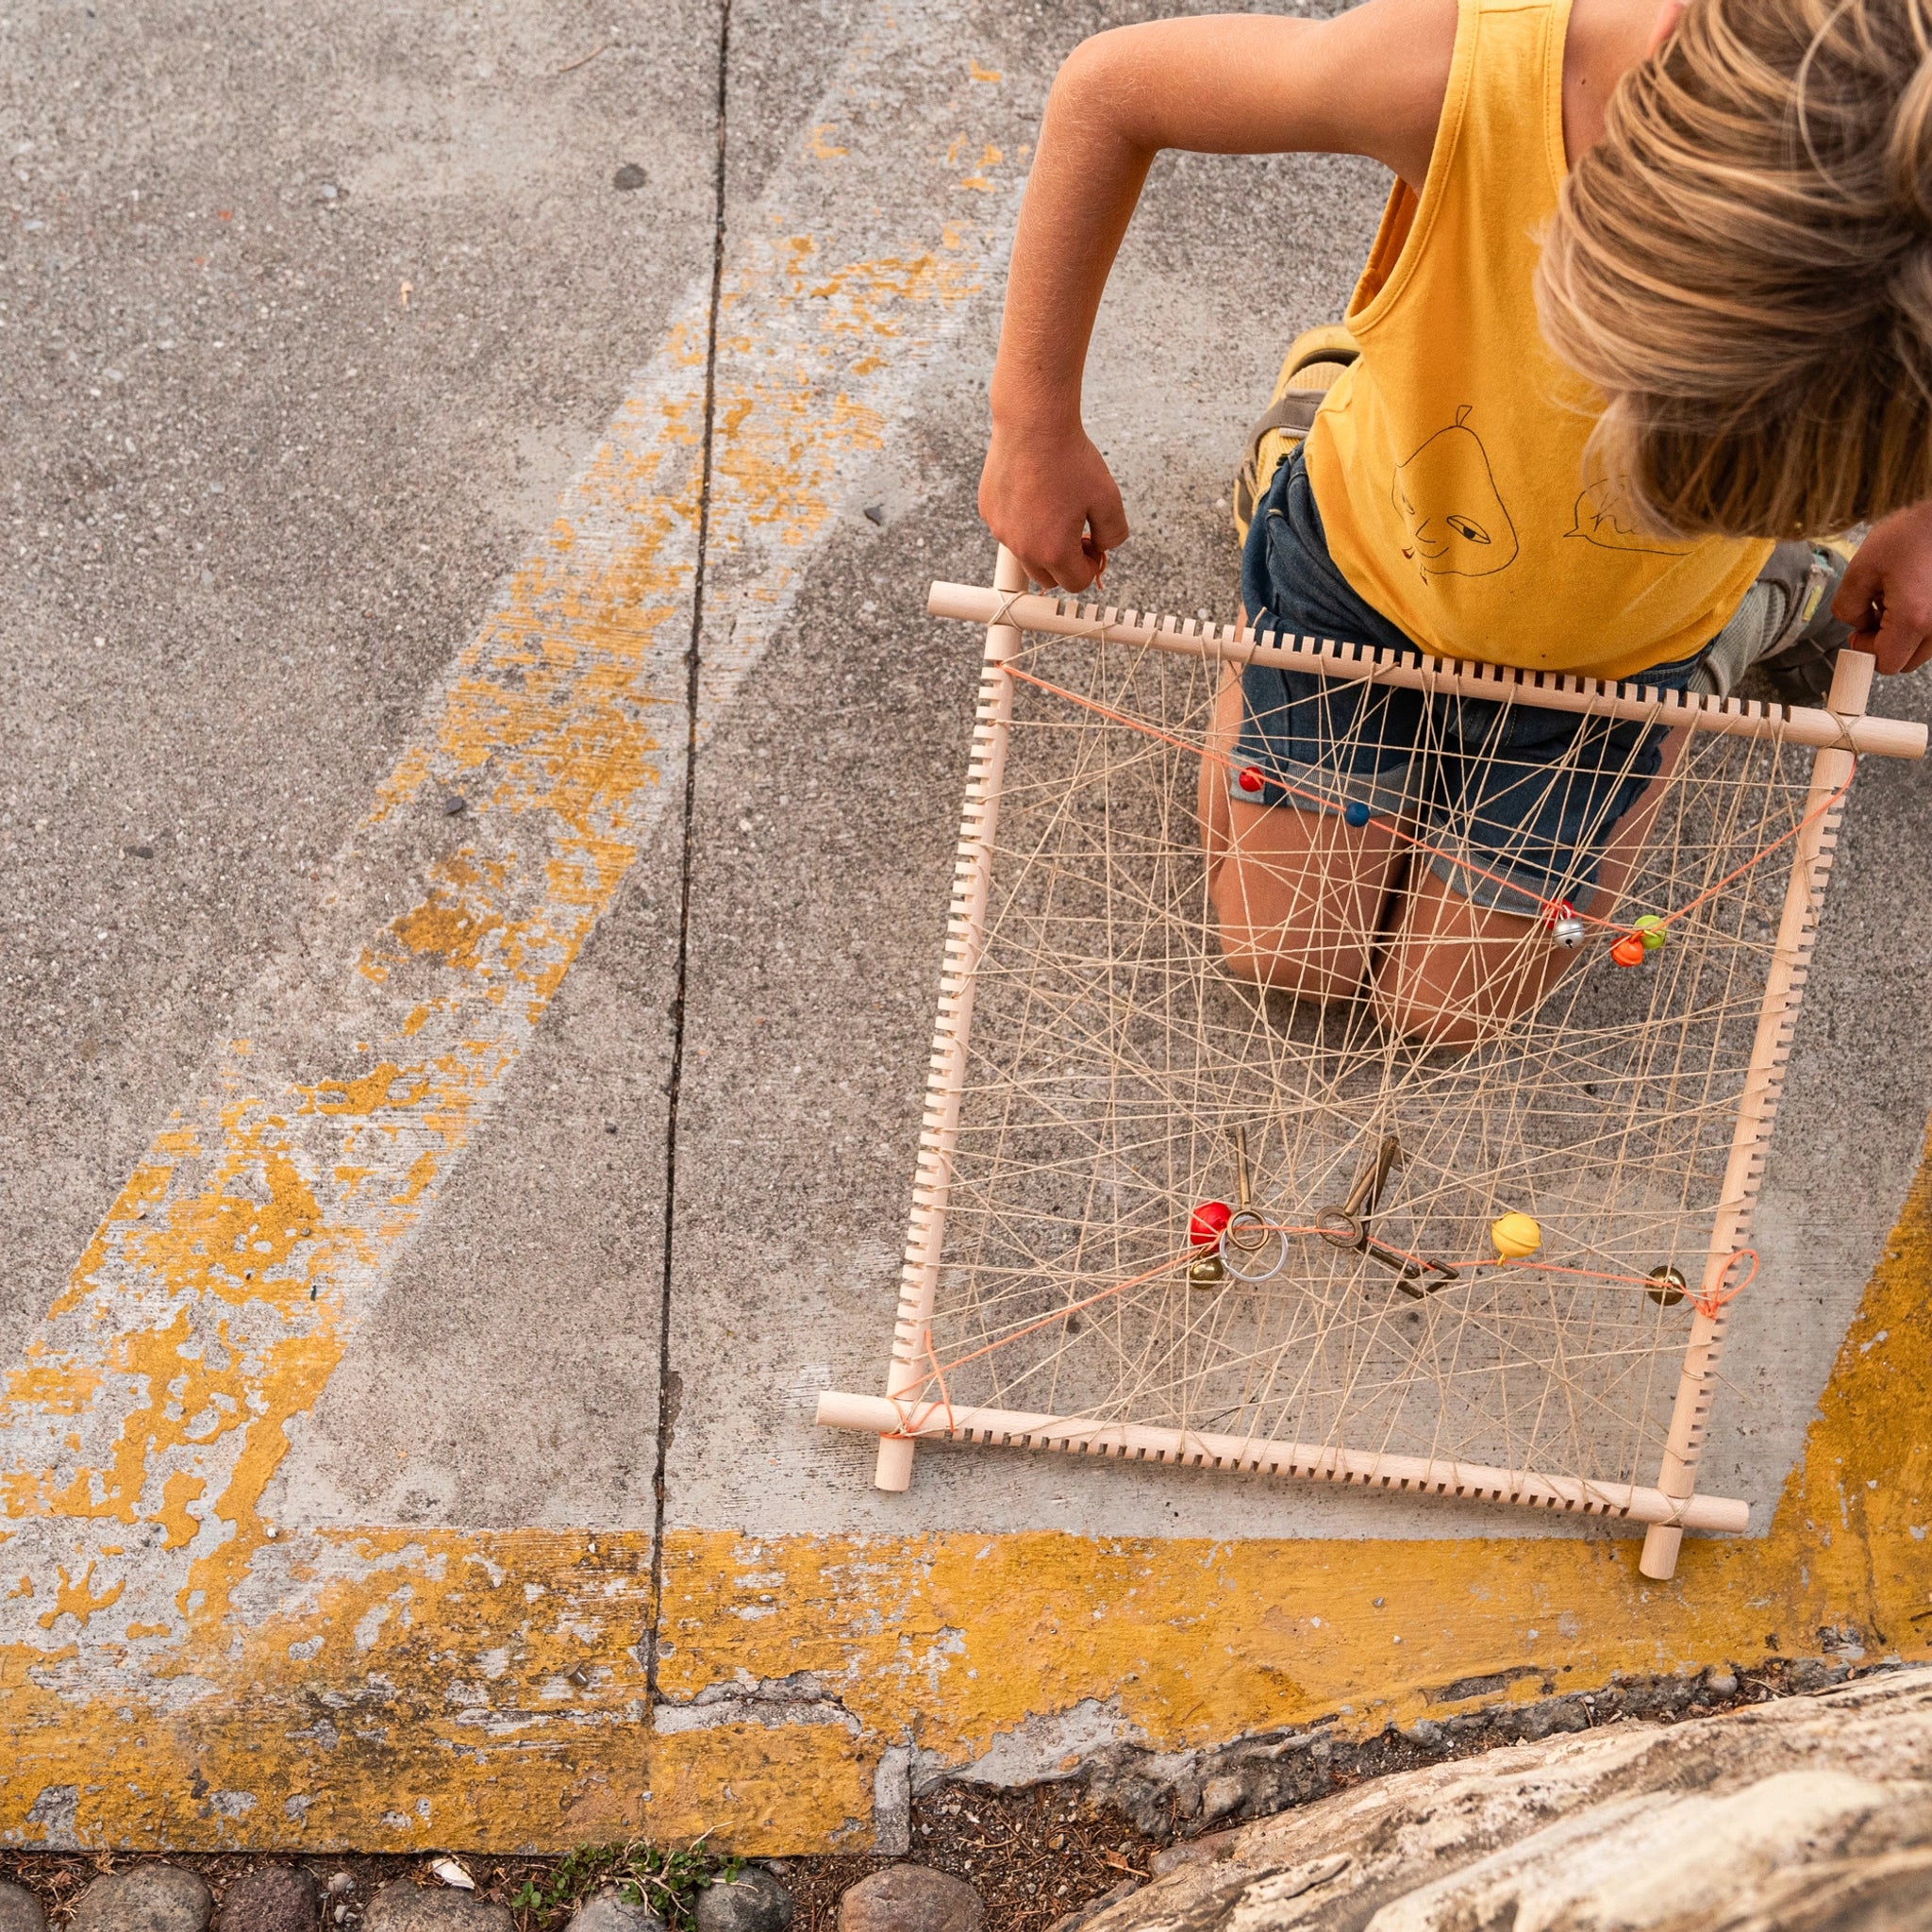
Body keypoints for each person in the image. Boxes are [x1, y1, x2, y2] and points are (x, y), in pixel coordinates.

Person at [976, 0, 1932, 1042]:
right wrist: (1032, 422)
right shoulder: (1459, 75)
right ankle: (1315, 416)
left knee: (1450, 1016)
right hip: (1363, 569)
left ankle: (1736, 610)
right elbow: (1111, 91)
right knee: (1286, 953)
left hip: (1626, 646)